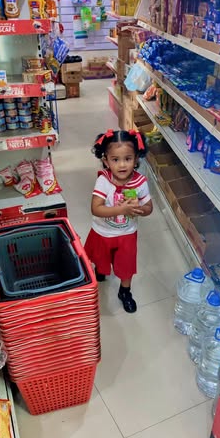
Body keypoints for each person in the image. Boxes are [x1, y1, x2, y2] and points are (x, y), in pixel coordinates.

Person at [84, 129, 153, 313]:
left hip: (127, 234)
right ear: (106, 161)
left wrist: (139, 209)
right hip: (103, 232)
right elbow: (96, 208)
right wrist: (121, 209)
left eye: (128, 159)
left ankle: (125, 291)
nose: (122, 165)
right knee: (101, 257)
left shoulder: (140, 182)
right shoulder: (104, 181)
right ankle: (101, 269)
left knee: (126, 265)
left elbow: (149, 208)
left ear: (136, 159)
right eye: (115, 160)